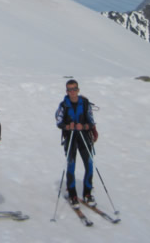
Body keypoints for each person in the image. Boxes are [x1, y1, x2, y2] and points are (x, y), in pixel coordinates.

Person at [55, 79, 99, 207]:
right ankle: (72, 194)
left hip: (84, 138)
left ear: (78, 90)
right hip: (71, 138)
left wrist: (84, 126)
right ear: (67, 91)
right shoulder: (63, 105)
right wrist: (68, 127)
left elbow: (91, 121)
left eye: (74, 89)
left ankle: (87, 193)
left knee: (89, 164)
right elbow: (59, 122)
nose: (72, 92)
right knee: (71, 165)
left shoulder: (85, 103)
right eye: (69, 89)